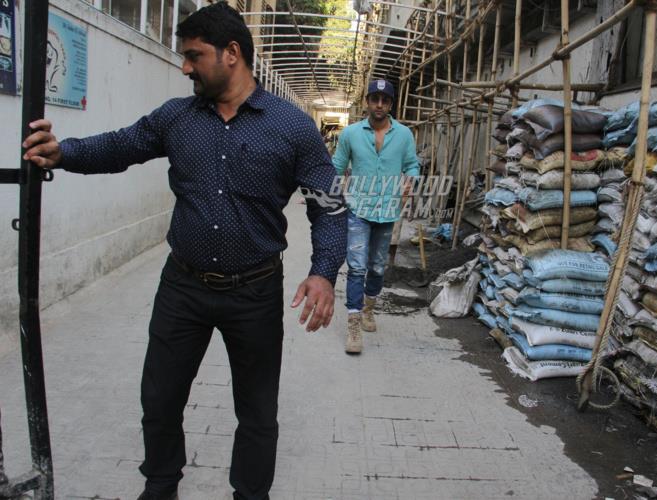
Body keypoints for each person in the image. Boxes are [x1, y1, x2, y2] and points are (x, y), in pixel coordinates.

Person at [21, 2, 347, 499]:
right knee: (160, 396)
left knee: (257, 411)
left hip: (255, 292)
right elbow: (122, 145)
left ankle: (250, 493)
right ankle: (160, 485)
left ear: (231, 53)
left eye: (194, 55)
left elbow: (329, 205)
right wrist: (64, 153)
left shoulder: (292, 127)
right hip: (183, 288)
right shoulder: (177, 118)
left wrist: (323, 272)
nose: (185, 66)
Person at [331, 79, 419, 354]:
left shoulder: (404, 135)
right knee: (356, 266)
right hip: (357, 209)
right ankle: (354, 322)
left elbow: (412, 164)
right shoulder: (351, 134)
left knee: (378, 267)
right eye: (374, 99)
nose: (379, 104)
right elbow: (337, 165)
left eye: (385, 100)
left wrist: (411, 180)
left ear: (391, 104)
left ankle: (369, 309)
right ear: (367, 102)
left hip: (387, 211)